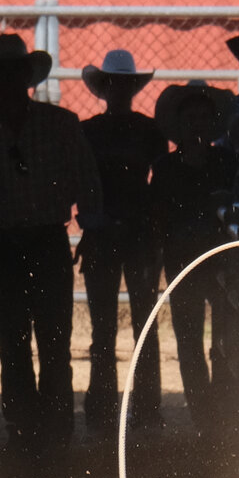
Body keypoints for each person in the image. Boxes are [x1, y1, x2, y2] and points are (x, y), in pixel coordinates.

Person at [0, 33, 103, 450]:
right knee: (17, 345)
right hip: (15, 245)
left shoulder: (52, 126)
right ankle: (27, 431)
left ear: (25, 77)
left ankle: (51, 432)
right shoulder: (3, 132)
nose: (12, 81)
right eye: (5, 74)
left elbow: (87, 180)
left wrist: (88, 229)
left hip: (42, 242)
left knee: (52, 343)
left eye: (16, 73)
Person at [78, 50, 167, 434]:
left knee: (144, 324)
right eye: (113, 84)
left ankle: (146, 411)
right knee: (103, 327)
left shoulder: (149, 132)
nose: (118, 90)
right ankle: (101, 412)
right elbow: (81, 184)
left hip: (138, 235)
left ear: (131, 88)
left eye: (124, 84)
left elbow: (160, 183)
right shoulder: (89, 131)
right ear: (104, 87)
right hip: (102, 234)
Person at [150, 81, 239, 434]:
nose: (197, 124)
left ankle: (221, 416)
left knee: (223, 342)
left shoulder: (227, 163)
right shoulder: (166, 168)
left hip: (220, 264)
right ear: (179, 123)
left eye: (204, 117)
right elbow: (157, 219)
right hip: (182, 263)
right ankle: (203, 418)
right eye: (191, 117)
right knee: (189, 343)